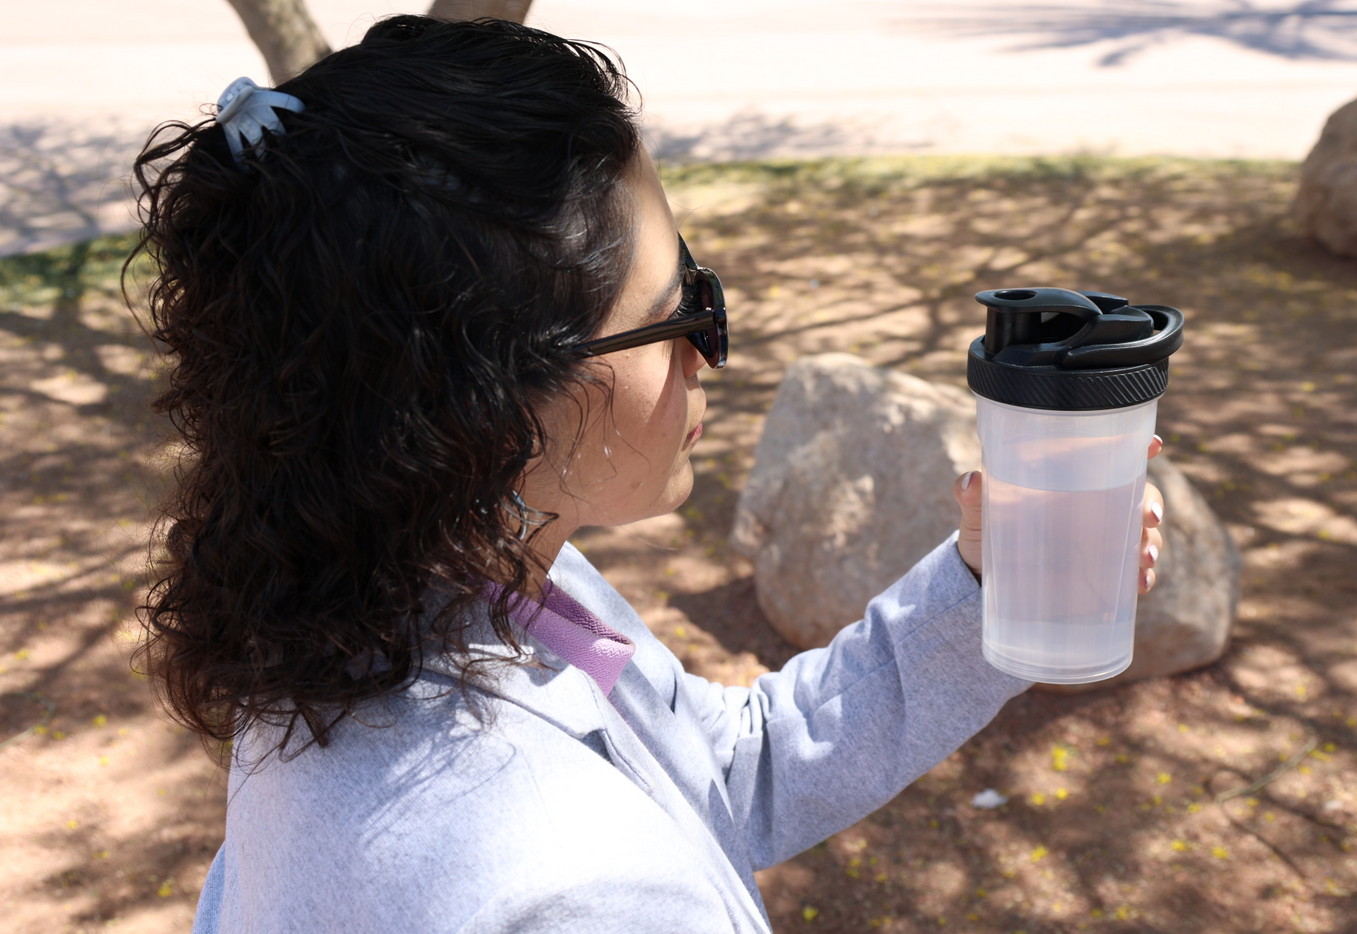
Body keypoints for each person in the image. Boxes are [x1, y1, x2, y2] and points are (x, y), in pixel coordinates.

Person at [130, 15, 1165, 933]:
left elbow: (720, 771)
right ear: (496, 395)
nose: (709, 352)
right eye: (683, 310)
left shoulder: (396, 591)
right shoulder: (580, 892)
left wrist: (983, 587)